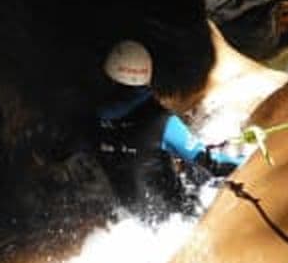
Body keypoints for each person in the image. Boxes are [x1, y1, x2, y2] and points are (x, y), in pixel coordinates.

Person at [96, 39, 246, 218]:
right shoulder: (161, 121)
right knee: (196, 171)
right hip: (175, 218)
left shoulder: (92, 119)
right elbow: (213, 164)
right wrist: (249, 156)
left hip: (130, 219)